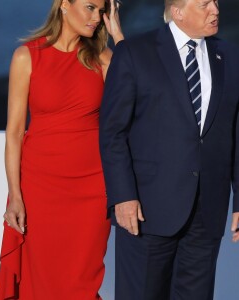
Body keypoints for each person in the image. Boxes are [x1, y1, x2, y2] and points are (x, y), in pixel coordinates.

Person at [99, 0, 239, 299]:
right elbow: (113, 132)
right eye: (205, 4)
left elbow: (236, 133)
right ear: (177, 12)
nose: (215, 9)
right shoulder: (135, 53)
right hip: (146, 212)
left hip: (207, 213)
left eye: (214, 2)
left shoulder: (230, 56)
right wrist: (123, 196)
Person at [0, 0, 124, 299]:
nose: (96, 18)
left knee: (81, 279)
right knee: (40, 279)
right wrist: (15, 195)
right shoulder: (27, 56)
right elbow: (14, 132)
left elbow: (140, 93)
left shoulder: (102, 58)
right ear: (64, 5)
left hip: (93, 188)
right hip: (40, 187)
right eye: (90, 7)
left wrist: (118, 37)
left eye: (102, 11)